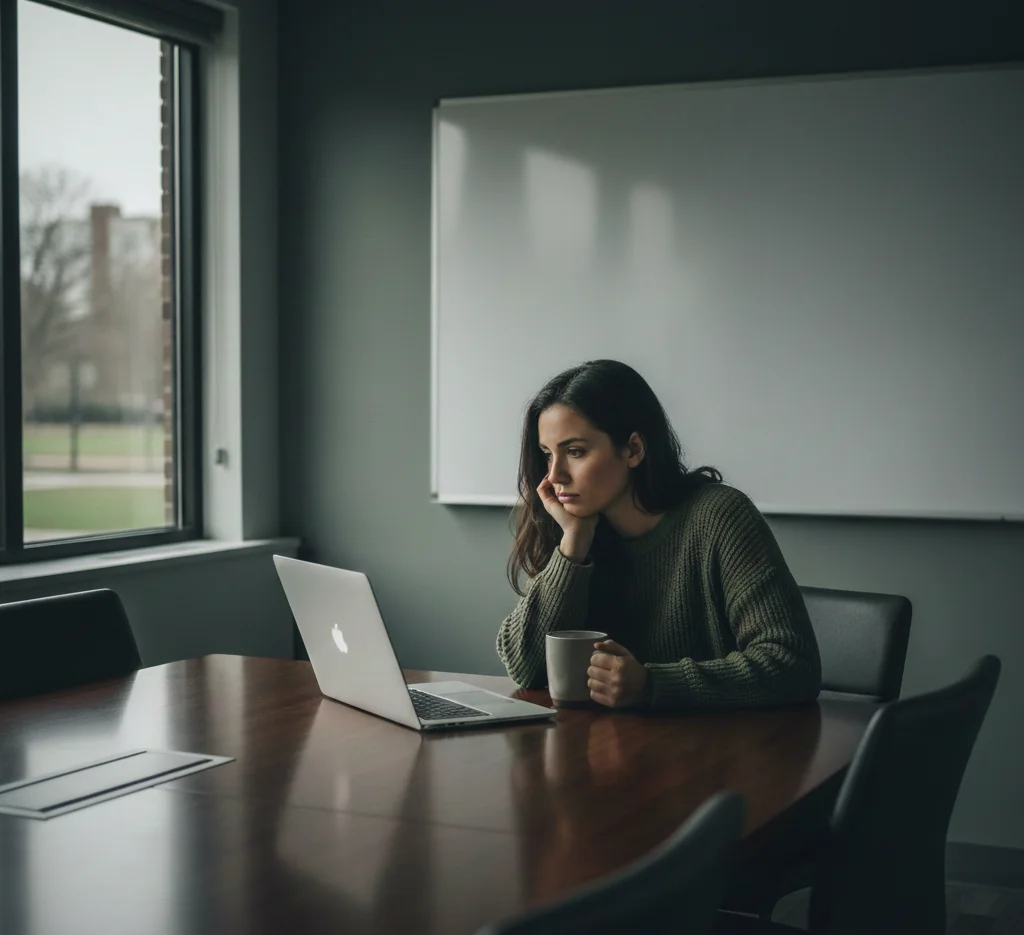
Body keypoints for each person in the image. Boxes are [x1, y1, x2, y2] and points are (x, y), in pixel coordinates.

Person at [496, 359, 821, 710]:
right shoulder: (576, 529)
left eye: (575, 452)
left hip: (720, 751)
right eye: (547, 454)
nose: (555, 475)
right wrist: (573, 544)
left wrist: (654, 684)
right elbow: (526, 669)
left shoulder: (720, 517)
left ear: (634, 449)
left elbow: (792, 665)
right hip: (606, 750)